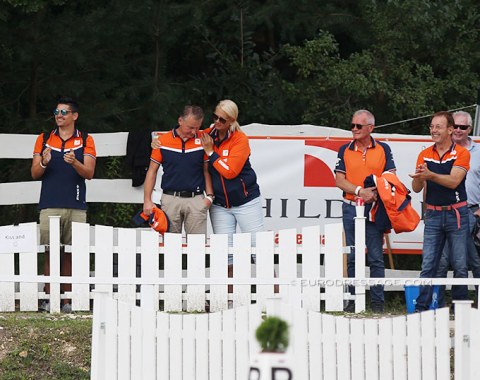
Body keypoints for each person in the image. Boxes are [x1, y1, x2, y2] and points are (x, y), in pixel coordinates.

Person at [31, 96, 96, 313]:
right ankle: (50, 297)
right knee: (50, 251)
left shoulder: (86, 139)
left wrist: (75, 162)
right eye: (56, 112)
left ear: (74, 116)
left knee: (72, 253)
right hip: (50, 203)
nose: (58, 116)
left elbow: (89, 173)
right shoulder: (44, 139)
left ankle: (68, 299)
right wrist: (43, 162)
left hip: (76, 203)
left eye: (64, 112)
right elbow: (34, 173)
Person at [334, 109, 396, 313]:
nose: (353, 129)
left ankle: (377, 304)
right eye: (352, 125)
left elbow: (391, 177)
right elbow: (339, 180)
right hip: (351, 207)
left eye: (358, 126)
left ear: (371, 127)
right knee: (353, 256)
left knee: (376, 257)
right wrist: (361, 190)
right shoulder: (344, 149)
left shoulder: (384, 148)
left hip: (374, 207)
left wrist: (375, 191)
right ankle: (352, 301)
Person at [410, 111, 469, 312]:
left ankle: (460, 309)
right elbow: (416, 187)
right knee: (429, 265)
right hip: (433, 214)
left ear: (450, 130)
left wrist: (429, 175)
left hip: (457, 213)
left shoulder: (461, 153)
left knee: (460, 265)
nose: (433, 130)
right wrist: (419, 176)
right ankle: (421, 309)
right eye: (432, 126)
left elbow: (454, 182)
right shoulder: (424, 153)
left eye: (438, 127)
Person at [200, 99, 264, 249]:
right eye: (215, 117)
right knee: (224, 255)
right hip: (219, 205)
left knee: (260, 251)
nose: (217, 121)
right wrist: (157, 143)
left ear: (232, 120)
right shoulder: (208, 135)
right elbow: (186, 134)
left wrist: (210, 152)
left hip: (246, 202)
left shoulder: (240, 139)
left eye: (222, 119)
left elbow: (230, 172)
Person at [143, 105, 213, 236]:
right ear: (180, 121)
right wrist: (147, 200)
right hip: (170, 199)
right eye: (190, 127)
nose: (194, 131)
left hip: (196, 199)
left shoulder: (203, 140)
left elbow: (206, 171)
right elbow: (152, 171)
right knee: (170, 248)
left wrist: (209, 196)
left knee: (197, 248)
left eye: (197, 127)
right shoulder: (162, 141)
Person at [435, 111, 480, 307]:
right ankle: (441, 303)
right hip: (447, 211)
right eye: (456, 126)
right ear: (451, 127)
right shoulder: (441, 150)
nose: (459, 130)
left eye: (463, 127)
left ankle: (465, 303)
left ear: (469, 129)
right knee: (445, 260)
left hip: (472, 211)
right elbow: (429, 181)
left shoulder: (478, 152)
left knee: (472, 261)